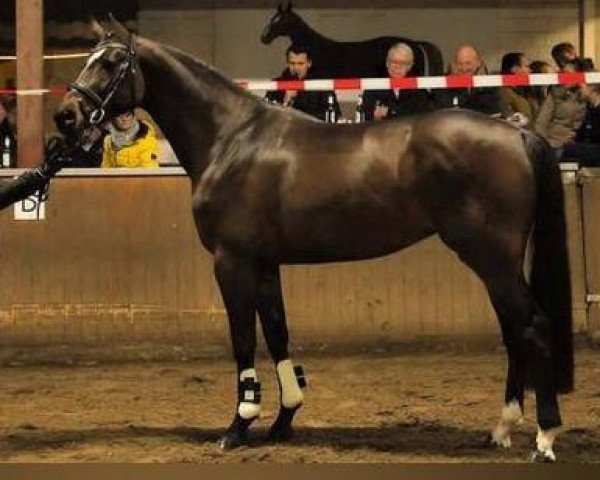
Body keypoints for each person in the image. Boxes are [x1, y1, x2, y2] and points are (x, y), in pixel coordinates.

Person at [534, 60, 594, 160]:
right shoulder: (555, 94)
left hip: (576, 142)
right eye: (563, 73)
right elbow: (541, 124)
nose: (565, 77)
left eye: (568, 74)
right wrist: (545, 147)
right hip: (554, 144)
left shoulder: (586, 95)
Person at [265, 43, 341, 121]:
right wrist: (285, 102)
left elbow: (334, 114)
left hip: (313, 130)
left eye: (300, 64)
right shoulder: (276, 85)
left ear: (309, 63)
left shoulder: (321, 85)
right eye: (292, 63)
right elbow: (267, 117)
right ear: (288, 63)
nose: (296, 67)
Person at [361, 42, 430, 121]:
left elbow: (424, 116)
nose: (397, 67)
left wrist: (390, 112)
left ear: (409, 66)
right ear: (387, 63)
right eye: (393, 61)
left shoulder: (418, 89)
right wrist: (375, 117)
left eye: (402, 63)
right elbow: (364, 116)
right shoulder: (375, 87)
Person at [434, 44, 507, 116]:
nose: (464, 68)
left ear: (478, 63)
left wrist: (472, 89)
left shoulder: (489, 86)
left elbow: (495, 111)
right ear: (454, 65)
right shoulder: (445, 85)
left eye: (468, 63)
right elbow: (442, 109)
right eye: (460, 64)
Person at [499, 52, 534, 124]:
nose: (530, 70)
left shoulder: (525, 90)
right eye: (527, 66)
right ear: (515, 69)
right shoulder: (503, 94)